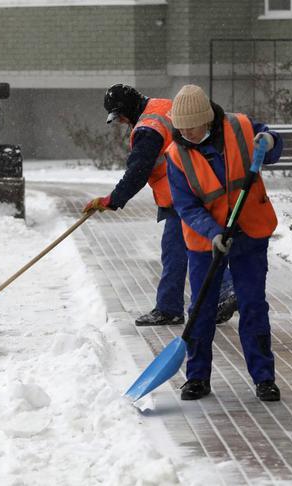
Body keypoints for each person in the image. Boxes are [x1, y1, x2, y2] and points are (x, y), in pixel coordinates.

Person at [83, 84, 237, 327]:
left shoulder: (147, 129)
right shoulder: (164, 105)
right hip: (204, 183)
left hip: (182, 193)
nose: (121, 122)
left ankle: (219, 291)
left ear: (127, 110)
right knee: (188, 247)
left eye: (120, 116)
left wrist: (112, 200)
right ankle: (182, 303)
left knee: (189, 249)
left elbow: (138, 171)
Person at [165, 84, 283, 402]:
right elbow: (186, 206)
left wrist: (270, 141)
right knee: (201, 309)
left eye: (192, 125)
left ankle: (264, 378)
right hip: (208, 241)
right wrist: (213, 232)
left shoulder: (240, 127)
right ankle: (197, 378)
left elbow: (271, 146)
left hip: (250, 231)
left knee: (253, 305)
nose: (187, 132)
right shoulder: (176, 156)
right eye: (181, 127)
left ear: (207, 118)